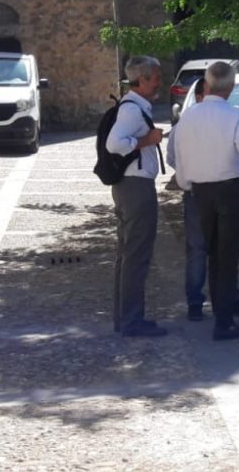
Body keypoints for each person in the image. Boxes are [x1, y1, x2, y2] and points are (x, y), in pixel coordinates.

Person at [174, 62, 239, 340]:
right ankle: (224, 321)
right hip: (229, 191)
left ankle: (221, 316)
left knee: (213, 254)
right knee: (227, 256)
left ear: (206, 83)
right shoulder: (234, 116)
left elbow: (179, 157)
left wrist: (187, 184)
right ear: (231, 86)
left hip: (200, 191)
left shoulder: (188, 117)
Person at [106, 55, 167, 337]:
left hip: (129, 186)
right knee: (136, 255)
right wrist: (147, 140)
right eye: (156, 77)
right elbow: (114, 144)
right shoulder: (132, 110)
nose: (159, 82)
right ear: (142, 80)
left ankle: (124, 318)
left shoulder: (132, 105)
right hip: (136, 188)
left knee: (127, 253)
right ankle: (132, 321)